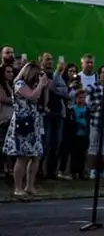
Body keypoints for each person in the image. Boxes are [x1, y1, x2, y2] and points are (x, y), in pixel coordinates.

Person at [3, 62, 47, 198]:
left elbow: (40, 99)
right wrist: (40, 84)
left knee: (36, 156)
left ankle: (30, 186)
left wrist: (43, 86)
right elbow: (32, 97)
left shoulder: (33, 86)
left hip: (34, 124)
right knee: (22, 157)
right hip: (23, 124)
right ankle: (18, 187)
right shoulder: (19, 84)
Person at [69, 89, 90, 180]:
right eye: (80, 98)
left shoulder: (87, 109)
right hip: (75, 135)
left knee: (83, 154)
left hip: (84, 134)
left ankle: (81, 172)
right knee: (74, 154)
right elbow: (70, 121)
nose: (82, 100)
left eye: (83, 98)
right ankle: (73, 172)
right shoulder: (72, 109)